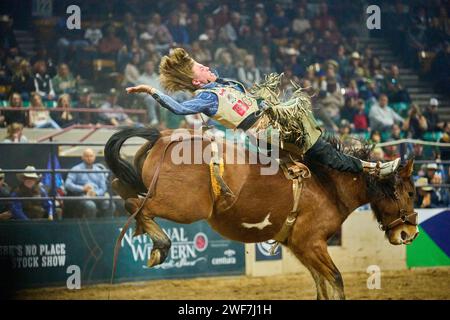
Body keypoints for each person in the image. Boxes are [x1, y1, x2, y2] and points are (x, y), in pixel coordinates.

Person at [126, 48, 400, 178]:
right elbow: (179, 107)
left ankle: (293, 170)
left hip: (276, 122)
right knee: (326, 154)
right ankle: (375, 169)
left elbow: (221, 81)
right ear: (197, 82)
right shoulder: (206, 98)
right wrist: (152, 91)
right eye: (200, 68)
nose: (206, 66)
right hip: (264, 133)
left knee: (324, 148)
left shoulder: (221, 84)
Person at [64, 148, 115, 218]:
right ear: (82, 157)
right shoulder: (76, 169)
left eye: (91, 156)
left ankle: (105, 227)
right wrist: (82, 188)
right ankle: (92, 228)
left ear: (94, 157)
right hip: (81, 196)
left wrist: (96, 193)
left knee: (110, 205)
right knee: (91, 206)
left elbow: (103, 188)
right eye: (87, 156)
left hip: (97, 196)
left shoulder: (99, 171)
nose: (89, 158)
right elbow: (68, 184)